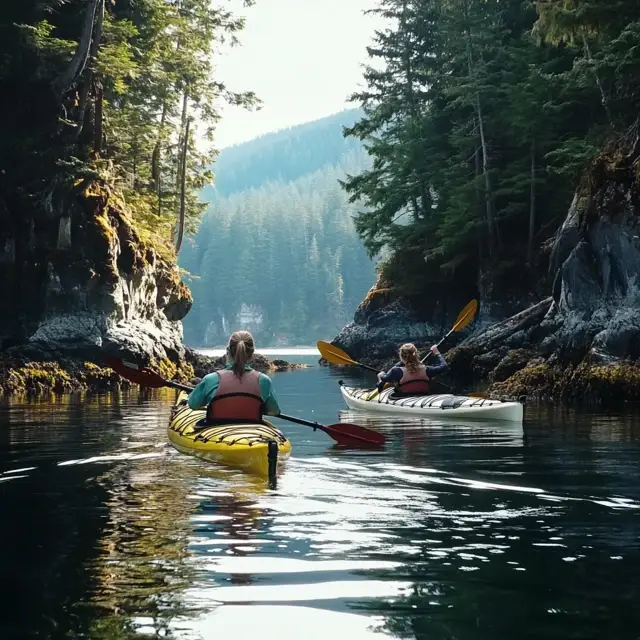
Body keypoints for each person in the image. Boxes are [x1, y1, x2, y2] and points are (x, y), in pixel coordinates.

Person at [188, 330, 281, 424]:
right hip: (252, 429)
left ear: (228, 351)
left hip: (216, 430)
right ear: (252, 352)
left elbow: (193, 404)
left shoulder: (210, 379)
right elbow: (274, 411)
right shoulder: (264, 380)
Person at [376, 343, 448, 395]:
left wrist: (380, 375)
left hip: (403, 397)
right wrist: (437, 353)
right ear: (416, 355)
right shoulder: (426, 369)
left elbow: (384, 379)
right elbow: (444, 366)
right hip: (423, 395)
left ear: (401, 356)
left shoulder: (396, 371)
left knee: (383, 380)